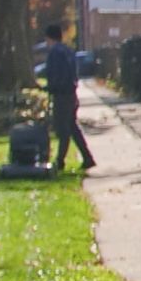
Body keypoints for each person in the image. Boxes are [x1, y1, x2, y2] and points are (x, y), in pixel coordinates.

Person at [39, 22, 96, 171]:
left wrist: (50, 88)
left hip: (61, 95)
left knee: (63, 129)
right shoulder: (68, 51)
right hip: (71, 93)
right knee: (72, 127)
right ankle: (87, 157)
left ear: (50, 38)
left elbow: (56, 74)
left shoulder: (55, 53)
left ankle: (60, 161)